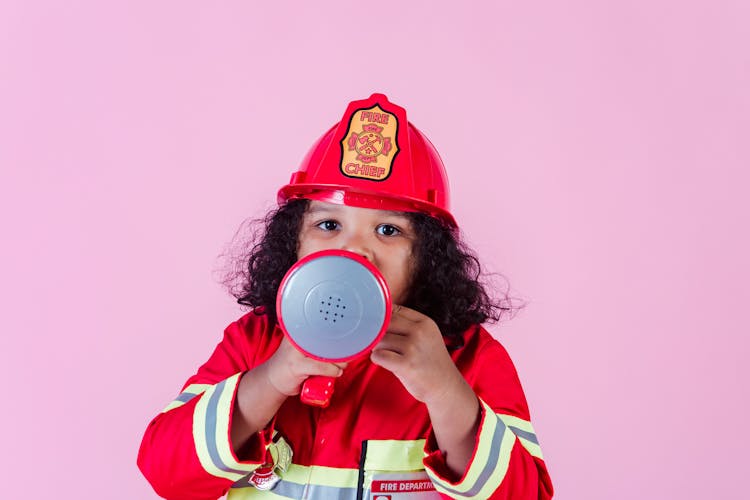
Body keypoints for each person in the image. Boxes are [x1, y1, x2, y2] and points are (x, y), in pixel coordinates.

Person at [138, 93, 554, 499]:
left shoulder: (469, 358)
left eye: (388, 230)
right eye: (329, 224)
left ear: (427, 257)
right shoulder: (253, 342)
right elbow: (166, 473)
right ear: (293, 241)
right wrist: (271, 378)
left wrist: (445, 390)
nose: (353, 248)